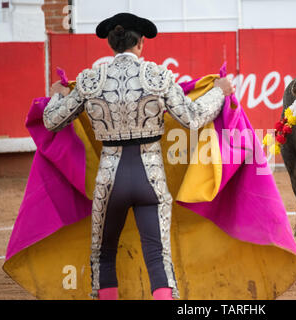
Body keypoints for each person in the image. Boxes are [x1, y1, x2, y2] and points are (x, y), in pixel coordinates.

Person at [43, 12, 234, 300]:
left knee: (103, 255)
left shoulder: (90, 80)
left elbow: (52, 120)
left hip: (109, 179)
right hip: (151, 177)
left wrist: (56, 93)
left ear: (111, 44)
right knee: (158, 257)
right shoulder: (158, 76)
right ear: (141, 43)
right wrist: (219, 92)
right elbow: (193, 117)